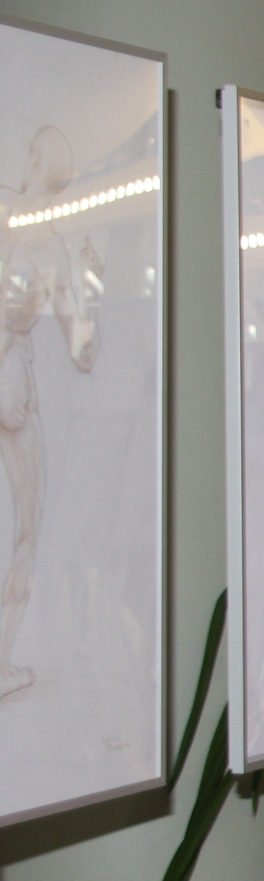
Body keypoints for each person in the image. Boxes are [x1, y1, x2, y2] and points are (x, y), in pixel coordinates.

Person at [0, 126, 101, 701]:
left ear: (34, 158)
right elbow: (82, 351)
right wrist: (93, 282)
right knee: (26, 526)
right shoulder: (54, 249)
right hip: (11, 378)